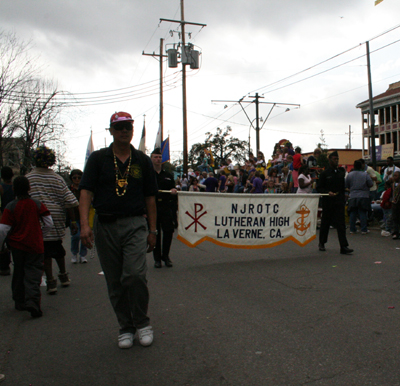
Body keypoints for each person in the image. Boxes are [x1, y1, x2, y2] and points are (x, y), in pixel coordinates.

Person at [79, 111, 158, 349]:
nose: (124, 131)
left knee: (134, 275)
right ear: (111, 130)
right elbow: (85, 193)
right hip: (105, 225)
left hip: (135, 224)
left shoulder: (142, 161)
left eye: (128, 127)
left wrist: (153, 231)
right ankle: (125, 326)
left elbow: (150, 198)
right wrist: (84, 225)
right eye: (119, 127)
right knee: (114, 281)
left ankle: (142, 323)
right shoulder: (98, 159)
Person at [27, 146, 79, 294]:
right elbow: (70, 201)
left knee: (44, 252)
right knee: (58, 249)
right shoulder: (58, 179)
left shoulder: (29, 178)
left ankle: (50, 281)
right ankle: (63, 275)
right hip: (55, 220)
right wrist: (73, 221)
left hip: (37, 221)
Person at [0, 176, 53, 317]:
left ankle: (19, 300)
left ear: (13, 189)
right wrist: (41, 234)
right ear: (29, 188)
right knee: (33, 273)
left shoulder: (11, 206)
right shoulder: (37, 204)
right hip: (35, 245)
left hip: (17, 246)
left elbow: (3, 229)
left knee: (18, 271)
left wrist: (2, 245)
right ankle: (33, 301)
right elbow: (48, 223)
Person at [317, 151, 353, 254]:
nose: (336, 161)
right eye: (334, 159)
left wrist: (344, 195)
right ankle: (322, 243)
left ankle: (343, 246)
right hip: (328, 201)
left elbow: (341, 187)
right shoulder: (325, 174)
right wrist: (327, 192)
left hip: (338, 200)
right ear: (329, 160)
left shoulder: (340, 173)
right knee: (325, 223)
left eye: (337, 159)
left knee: (341, 224)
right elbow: (319, 187)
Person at [150, 148, 177, 268]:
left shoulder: (168, 175)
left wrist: (174, 191)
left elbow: (173, 189)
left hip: (166, 207)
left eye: (160, 157)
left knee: (168, 231)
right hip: (153, 208)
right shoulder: (148, 175)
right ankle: (157, 259)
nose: (158, 159)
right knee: (155, 233)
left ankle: (165, 256)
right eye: (155, 157)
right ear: (151, 159)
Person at [346, 160, 373, 235]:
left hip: (353, 195)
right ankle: (364, 229)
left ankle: (352, 229)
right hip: (363, 195)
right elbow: (370, 184)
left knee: (353, 213)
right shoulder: (365, 174)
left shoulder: (349, 175)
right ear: (361, 166)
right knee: (362, 212)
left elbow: (346, 185)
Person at [68, 169, 88, 264]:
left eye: (79, 177)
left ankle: (83, 255)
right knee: (75, 236)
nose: (77, 179)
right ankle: (74, 253)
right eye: (74, 177)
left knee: (84, 235)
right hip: (73, 216)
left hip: (84, 215)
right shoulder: (69, 189)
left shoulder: (84, 189)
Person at [0, 166, 15, 276]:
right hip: (14, 216)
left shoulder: (1, 187)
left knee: (4, 242)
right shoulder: (15, 187)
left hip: (3, 216)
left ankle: (5, 266)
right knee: (13, 240)